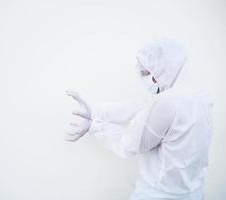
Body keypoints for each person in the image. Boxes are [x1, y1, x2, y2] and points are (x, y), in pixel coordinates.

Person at [65, 39, 213, 200]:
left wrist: (94, 127)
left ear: (164, 68)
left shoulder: (166, 102)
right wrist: (96, 110)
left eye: (148, 72)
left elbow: (128, 144)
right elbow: (142, 105)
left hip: (159, 195)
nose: (149, 79)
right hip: (195, 193)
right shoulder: (200, 97)